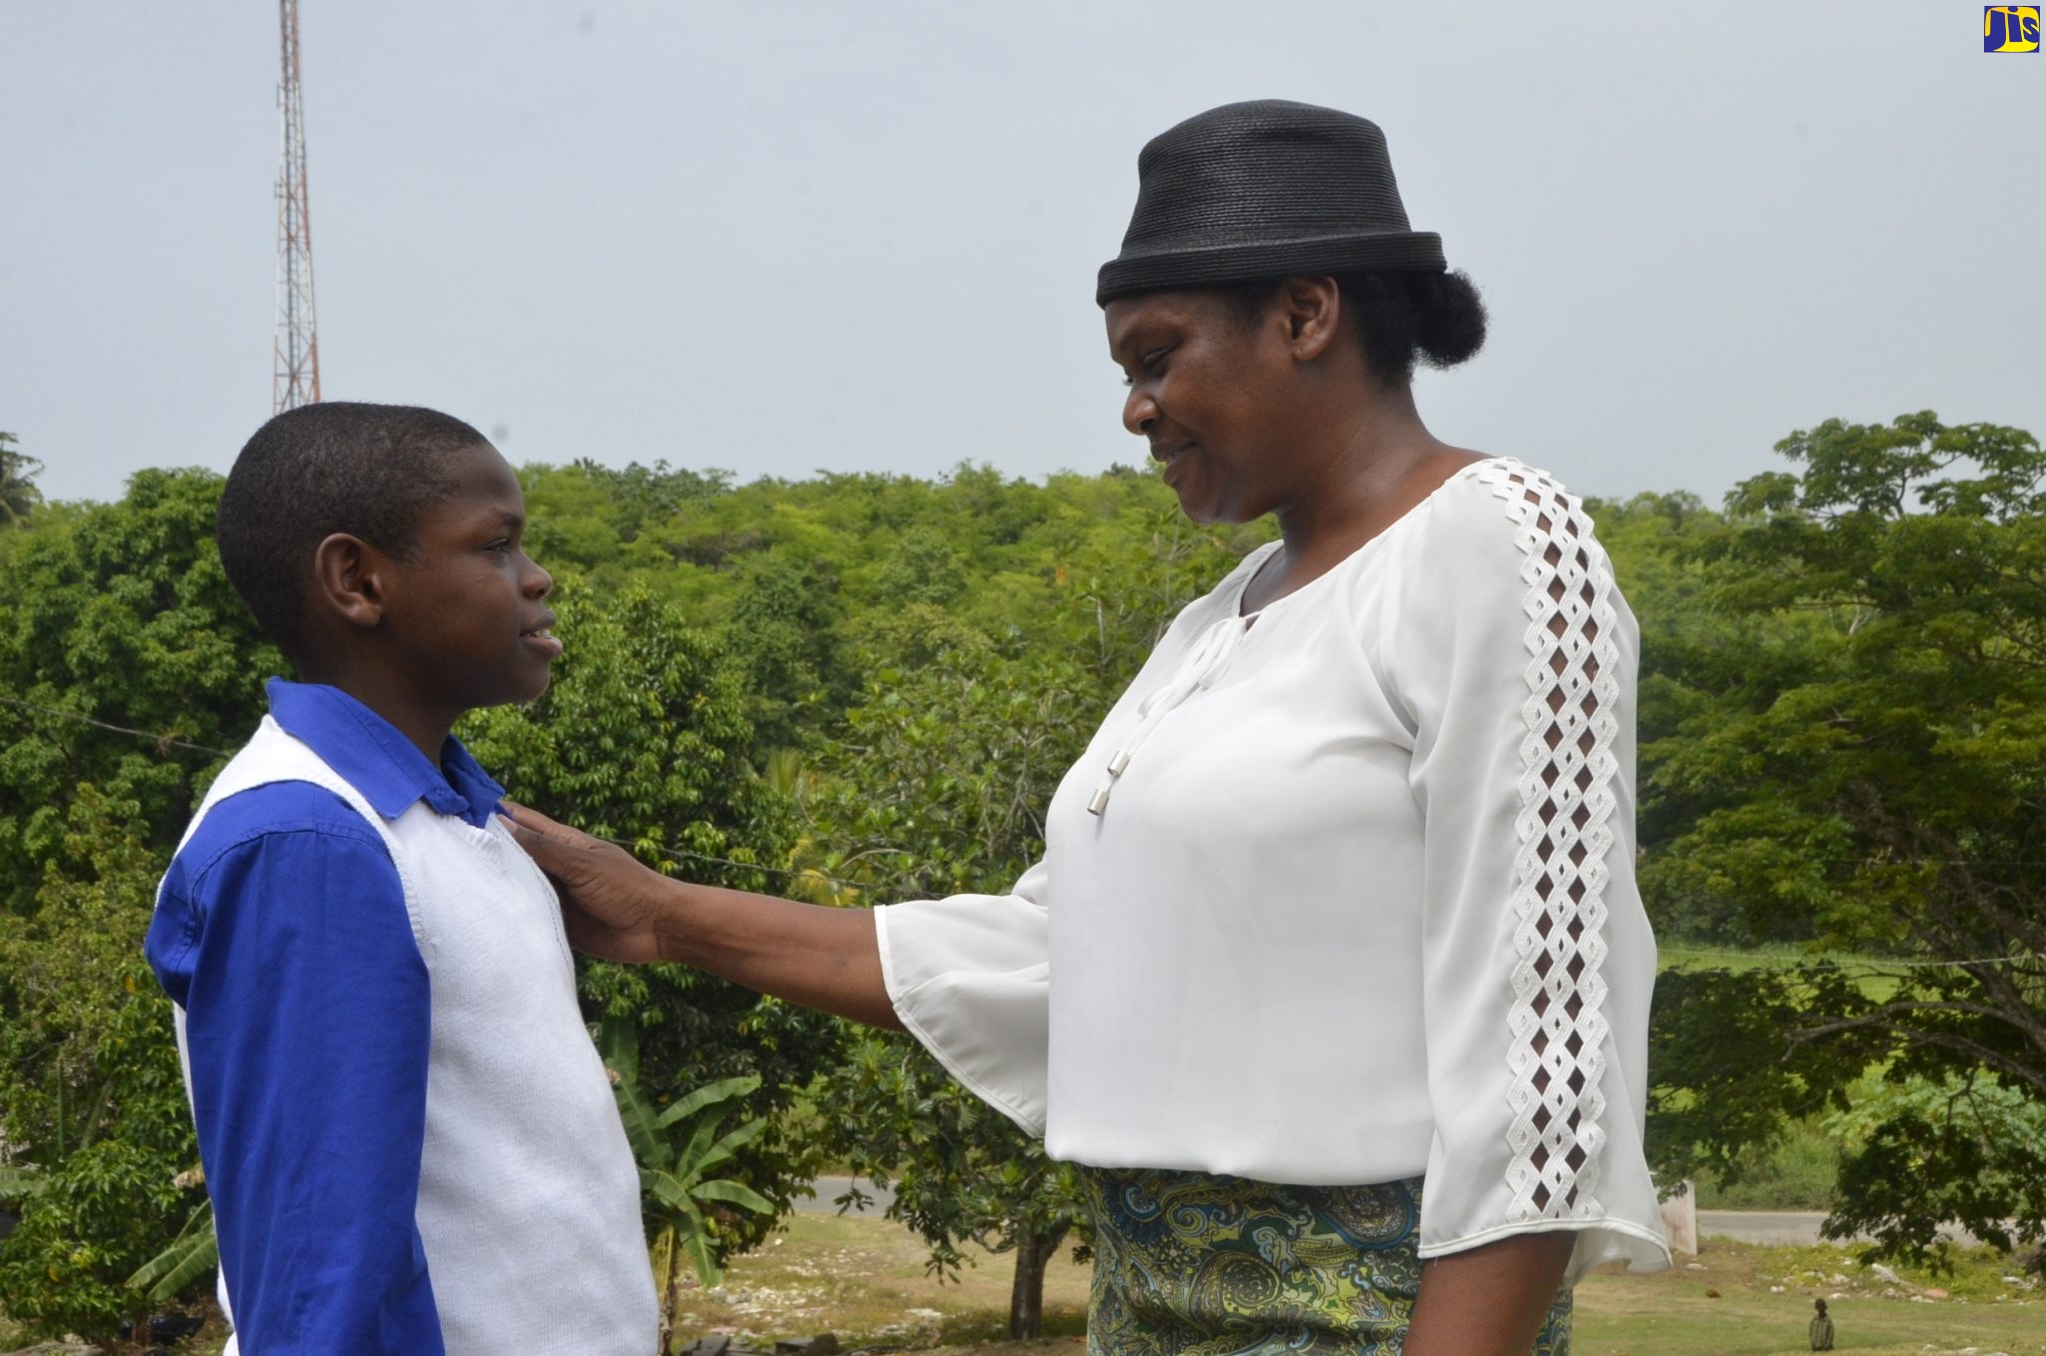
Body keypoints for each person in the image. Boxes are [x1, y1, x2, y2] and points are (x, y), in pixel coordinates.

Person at [508, 99, 1670, 1353]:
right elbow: (1059, 961)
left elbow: (1538, 1050)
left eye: (1157, 355)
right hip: (1146, 1306)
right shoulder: (1222, 617)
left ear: (1304, 314)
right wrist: (662, 915)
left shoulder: (1493, 542)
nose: (1135, 408)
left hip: (1355, 1314)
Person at [145, 403, 656, 1354]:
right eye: (496, 546)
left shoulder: (447, 819)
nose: (537, 578)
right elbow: (318, 1272)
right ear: (357, 581)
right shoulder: (307, 842)